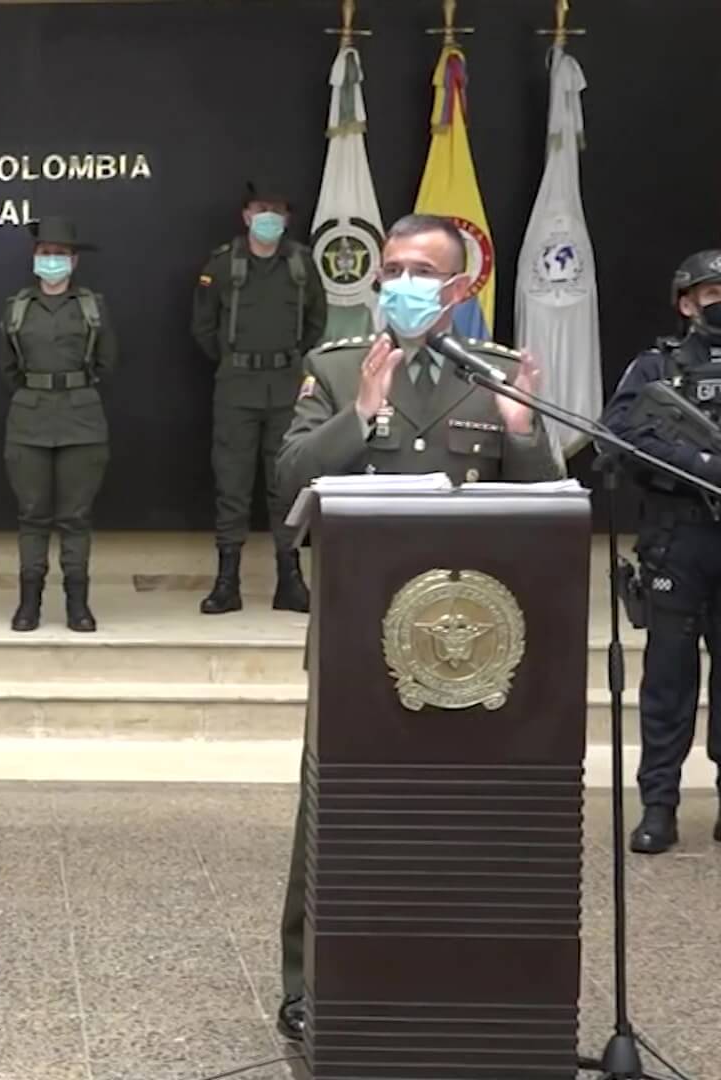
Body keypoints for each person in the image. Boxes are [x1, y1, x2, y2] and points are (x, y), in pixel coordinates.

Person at [272, 213, 560, 1041]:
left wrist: (521, 433)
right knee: (333, 811)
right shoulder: (334, 368)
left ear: (461, 287)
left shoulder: (498, 374)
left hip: (473, 644)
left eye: (421, 270)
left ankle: (457, 974)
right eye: (392, 267)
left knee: (462, 812)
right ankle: (308, 982)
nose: (400, 282)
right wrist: (358, 415)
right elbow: (287, 484)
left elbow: (541, 510)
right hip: (358, 640)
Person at [600, 249, 721, 855]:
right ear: (685, 302)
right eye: (709, 292)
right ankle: (659, 804)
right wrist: (700, 465)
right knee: (669, 681)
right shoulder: (656, 368)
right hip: (679, 539)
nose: (719, 300)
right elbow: (617, 433)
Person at [190, 182, 326, 615]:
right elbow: (203, 326)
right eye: (262, 208)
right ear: (246, 214)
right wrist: (237, 361)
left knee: (284, 483)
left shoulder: (301, 263)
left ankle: (290, 580)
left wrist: (285, 359)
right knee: (231, 484)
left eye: (278, 210)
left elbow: (316, 323)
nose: (270, 216)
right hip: (236, 386)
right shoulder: (223, 264)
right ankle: (226, 583)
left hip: (286, 385)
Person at [0, 215, 117, 632]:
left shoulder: (91, 307)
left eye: (61, 255)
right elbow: (7, 367)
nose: (53, 262)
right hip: (29, 420)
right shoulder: (17, 308)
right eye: (46, 254)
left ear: (73, 261)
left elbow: (107, 361)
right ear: (35, 257)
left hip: (82, 420)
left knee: (75, 517)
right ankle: (28, 604)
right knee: (32, 515)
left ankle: (77, 606)